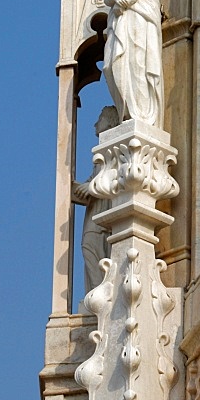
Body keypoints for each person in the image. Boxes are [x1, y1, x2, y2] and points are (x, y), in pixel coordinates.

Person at [102, 0, 163, 126]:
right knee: (111, 65)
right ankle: (126, 111)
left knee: (139, 62)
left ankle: (142, 115)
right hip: (120, 21)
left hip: (140, 20)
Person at [72, 105, 118, 296]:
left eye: (100, 119)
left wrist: (89, 188)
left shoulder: (114, 147)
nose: (95, 124)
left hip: (102, 214)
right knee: (91, 247)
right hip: (96, 208)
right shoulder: (104, 150)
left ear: (109, 121)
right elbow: (95, 180)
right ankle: (98, 292)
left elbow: (114, 176)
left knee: (90, 245)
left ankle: (101, 293)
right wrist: (79, 188)